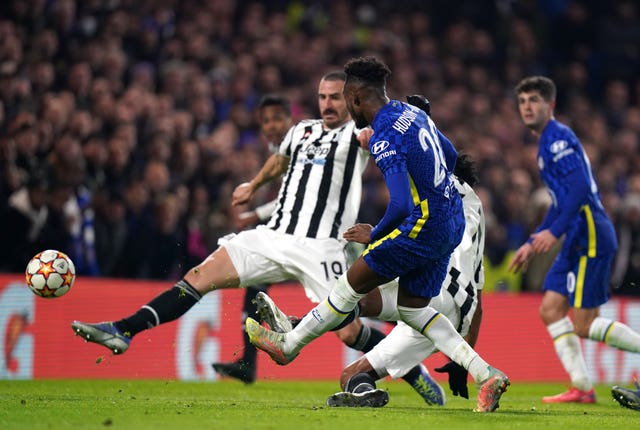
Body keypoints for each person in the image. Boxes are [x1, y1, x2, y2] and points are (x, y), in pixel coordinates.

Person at [70, 72, 440, 402]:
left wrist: (409, 114)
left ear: (351, 100)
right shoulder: (301, 130)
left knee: (349, 332)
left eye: (336, 97)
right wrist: (254, 184)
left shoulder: (356, 134)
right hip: (271, 236)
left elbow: (379, 134)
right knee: (199, 277)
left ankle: (412, 370)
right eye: (323, 97)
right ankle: (123, 330)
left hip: (320, 247)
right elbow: (281, 159)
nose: (328, 104)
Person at [246, 56, 509, 413]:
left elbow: (400, 203)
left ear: (355, 98)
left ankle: (287, 345)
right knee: (412, 309)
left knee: (351, 283)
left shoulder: (384, 134)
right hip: (450, 224)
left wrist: (376, 235)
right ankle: (486, 374)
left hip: (423, 226)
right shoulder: (413, 113)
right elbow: (448, 154)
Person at [257, 154, 486, 407]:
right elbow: (477, 303)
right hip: (458, 311)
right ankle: (373, 390)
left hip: (432, 286)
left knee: (357, 298)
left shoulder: (437, 188)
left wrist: (376, 234)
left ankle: (293, 327)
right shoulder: (475, 211)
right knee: (350, 375)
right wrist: (460, 362)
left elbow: (414, 223)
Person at [508, 76, 640, 403]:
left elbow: (580, 188)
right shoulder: (544, 145)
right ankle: (581, 386)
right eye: (523, 101)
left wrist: (554, 232)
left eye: (534, 100)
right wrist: (533, 239)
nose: (527, 106)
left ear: (550, 105)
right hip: (575, 237)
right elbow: (559, 200)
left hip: (591, 233)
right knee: (551, 309)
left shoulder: (557, 139)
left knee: (583, 325)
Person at [212, 94, 292, 384]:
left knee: (348, 311)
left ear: (289, 120)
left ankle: (408, 365)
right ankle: (248, 362)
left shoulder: (299, 147)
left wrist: (255, 213)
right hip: (288, 232)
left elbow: (294, 199)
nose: (270, 126)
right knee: (255, 289)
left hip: (317, 238)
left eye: (276, 120)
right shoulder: (279, 149)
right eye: (265, 121)